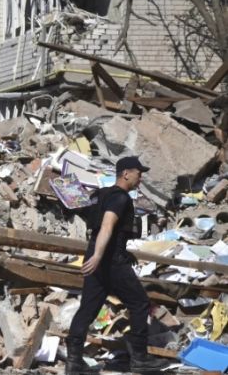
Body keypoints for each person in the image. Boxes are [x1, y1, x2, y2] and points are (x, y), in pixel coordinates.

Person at [65, 156, 169, 374]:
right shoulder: (120, 198)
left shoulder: (99, 195)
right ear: (126, 173)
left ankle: (73, 362)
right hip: (109, 260)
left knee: (88, 308)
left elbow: (89, 218)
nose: (140, 179)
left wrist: (110, 252)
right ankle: (139, 359)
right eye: (139, 174)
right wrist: (100, 256)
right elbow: (107, 226)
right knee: (140, 303)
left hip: (99, 254)